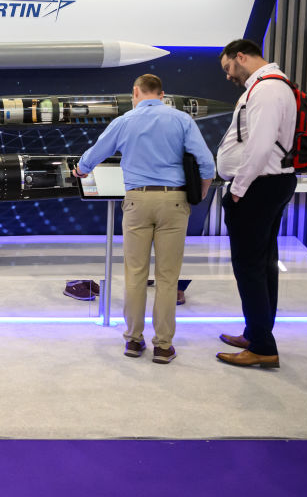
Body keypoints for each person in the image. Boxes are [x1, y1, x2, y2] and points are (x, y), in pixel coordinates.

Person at [72, 74, 215, 364]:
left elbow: (94, 154)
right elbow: (207, 164)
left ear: (136, 92)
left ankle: (134, 341)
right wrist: (199, 192)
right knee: (167, 277)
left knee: (135, 274)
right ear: (162, 95)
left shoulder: (124, 121)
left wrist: (81, 170)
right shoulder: (182, 120)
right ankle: (163, 346)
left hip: (137, 201)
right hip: (174, 201)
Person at [215, 39, 298, 369]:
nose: (228, 76)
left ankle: (262, 346)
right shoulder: (272, 86)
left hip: (258, 187)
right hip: (269, 184)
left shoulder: (266, 89)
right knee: (263, 264)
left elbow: (260, 146)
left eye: (228, 68)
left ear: (241, 56)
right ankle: (256, 333)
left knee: (250, 267)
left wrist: (238, 188)